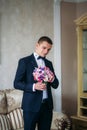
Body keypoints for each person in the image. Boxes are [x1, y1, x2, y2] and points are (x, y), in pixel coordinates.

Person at [14, 36, 59, 130]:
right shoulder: (24, 62)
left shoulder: (49, 63)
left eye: (49, 49)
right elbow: (16, 83)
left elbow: (56, 85)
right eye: (44, 48)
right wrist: (34, 86)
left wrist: (52, 78)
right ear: (37, 45)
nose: (46, 51)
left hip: (47, 106)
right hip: (30, 107)